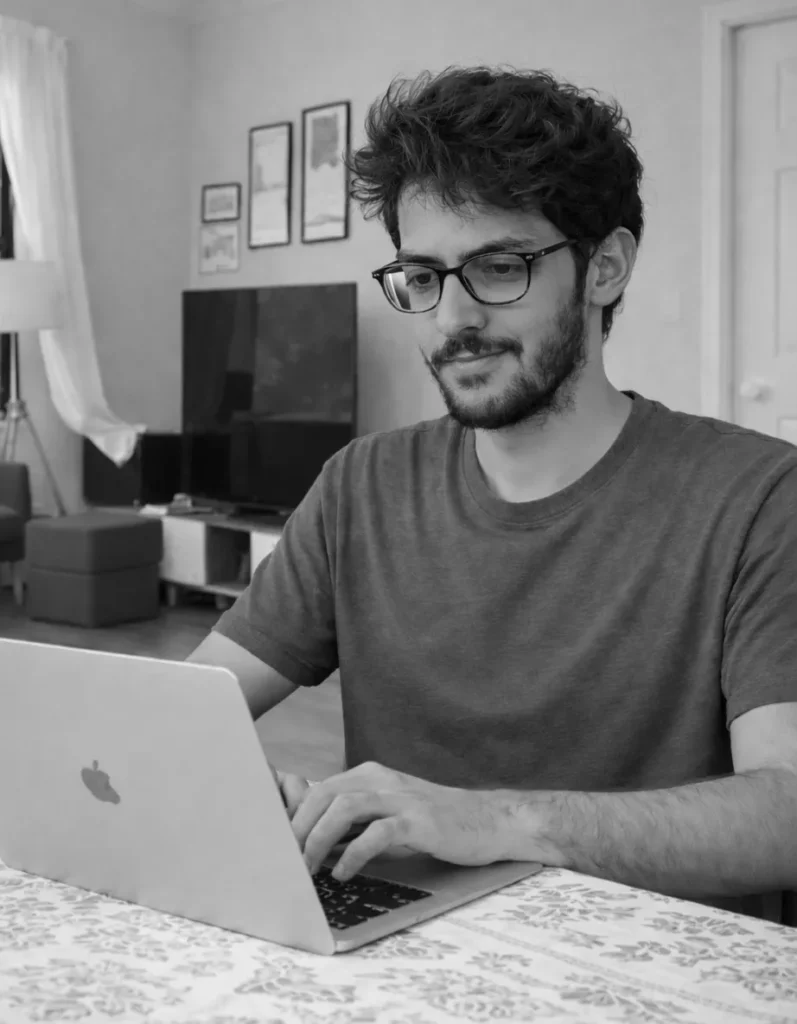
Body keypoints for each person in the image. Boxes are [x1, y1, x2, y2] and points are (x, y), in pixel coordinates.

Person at [188, 66, 797, 922]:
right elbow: (181, 714)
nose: (451, 319)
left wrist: (497, 820)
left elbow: (785, 813)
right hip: (394, 953)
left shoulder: (760, 499)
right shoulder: (361, 484)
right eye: (423, 276)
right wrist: (235, 786)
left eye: (498, 267)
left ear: (606, 268)